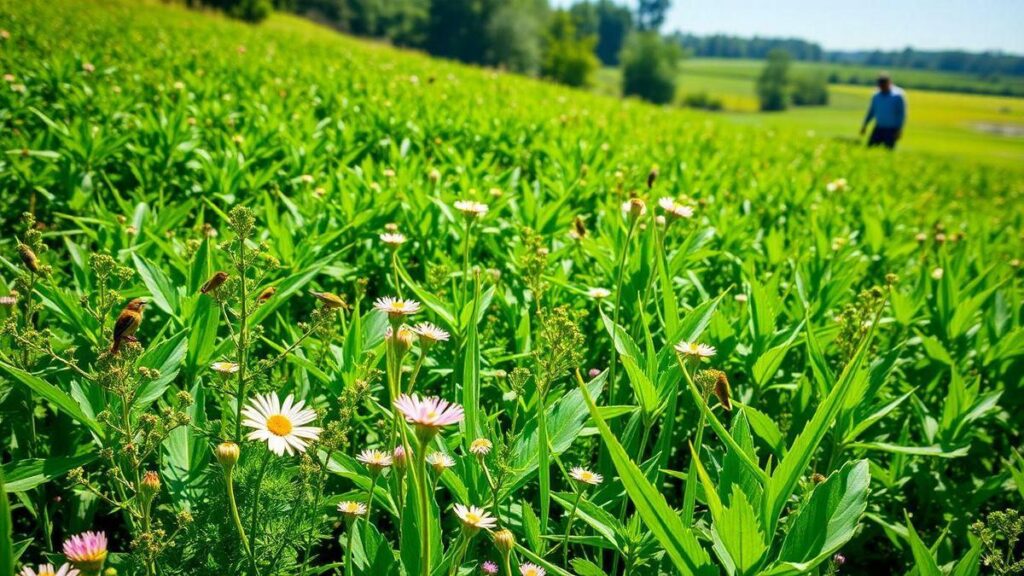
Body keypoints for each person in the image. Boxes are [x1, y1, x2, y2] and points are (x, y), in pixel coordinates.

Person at [860, 73, 906, 149]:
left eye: (884, 85)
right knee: (869, 149)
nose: (882, 87)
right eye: (880, 85)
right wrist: (865, 125)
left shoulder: (898, 96)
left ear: (889, 83)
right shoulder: (876, 95)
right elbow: (871, 111)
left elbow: (901, 114)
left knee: (888, 151)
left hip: (891, 130)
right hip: (878, 127)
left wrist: (899, 130)